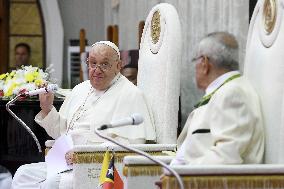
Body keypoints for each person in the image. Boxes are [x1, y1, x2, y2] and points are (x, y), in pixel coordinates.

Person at [11, 41, 156, 188]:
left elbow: (134, 147)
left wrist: (84, 154)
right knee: (22, 174)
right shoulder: (80, 89)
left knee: (52, 184)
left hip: (97, 168)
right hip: (66, 161)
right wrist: (47, 108)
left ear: (118, 66)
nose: (96, 70)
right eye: (92, 63)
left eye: (104, 64)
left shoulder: (131, 95)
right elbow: (61, 133)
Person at [171, 32, 264, 165]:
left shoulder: (232, 94)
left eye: (195, 60)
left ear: (204, 63)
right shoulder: (223, 91)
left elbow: (226, 157)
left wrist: (178, 174)